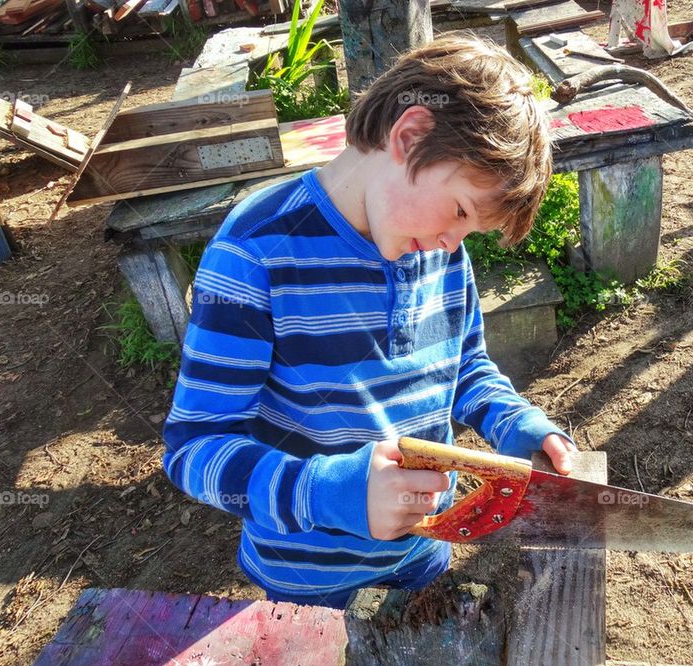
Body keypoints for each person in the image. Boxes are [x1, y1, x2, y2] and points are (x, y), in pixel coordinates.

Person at [162, 32, 576, 609]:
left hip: (424, 551)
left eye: (468, 231)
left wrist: (516, 425)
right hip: (306, 576)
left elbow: (466, 368)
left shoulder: (438, 248)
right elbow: (194, 448)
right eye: (458, 211)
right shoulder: (256, 253)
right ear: (409, 135)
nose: (452, 241)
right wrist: (329, 491)